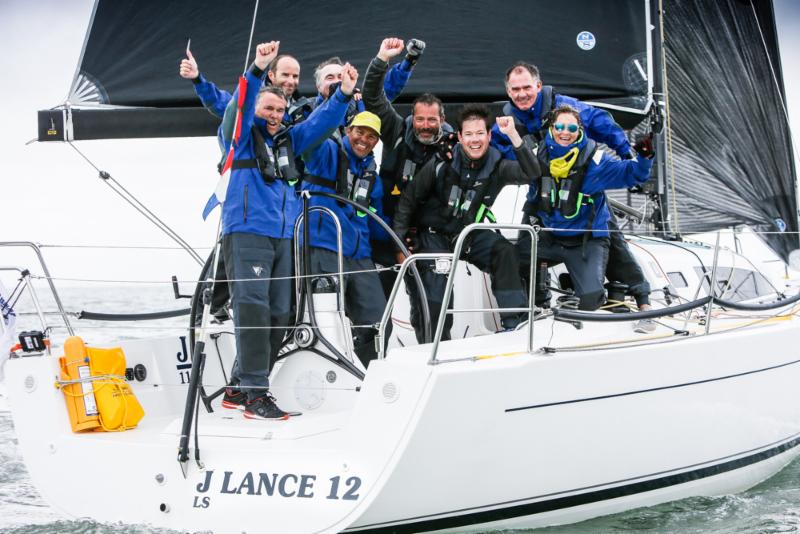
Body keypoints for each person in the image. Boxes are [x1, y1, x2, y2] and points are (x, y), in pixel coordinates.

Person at [207, 41, 360, 420]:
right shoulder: (239, 136)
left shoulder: (289, 140)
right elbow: (238, 107)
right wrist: (258, 67)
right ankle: (256, 394)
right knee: (253, 310)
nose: (274, 115)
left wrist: (343, 93)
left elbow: (320, 123)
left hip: (283, 236)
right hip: (247, 232)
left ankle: (239, 388)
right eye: (267, 109)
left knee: (282, 313)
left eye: (278, 110)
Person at [492, 61, 655, 327]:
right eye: (516, 89)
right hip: (542, 197)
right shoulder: (507, 122)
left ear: (539, 86)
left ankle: (641, 297)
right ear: (508, 92)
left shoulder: (568, 110)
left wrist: (629, 152)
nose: (522, 94)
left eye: (527, 88)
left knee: (609, 236)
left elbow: (603, 124)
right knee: (521, 253)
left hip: (582, 192)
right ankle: (534, 308)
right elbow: (490, 152)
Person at [392, 104, 540, 343]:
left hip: (469, 235)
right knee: (434, 294)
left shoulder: (498, 165)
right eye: (469, 134)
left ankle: (515, 326)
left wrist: (513, 135)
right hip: (434, 236)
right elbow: (407, 202)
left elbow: (532, 173)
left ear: (489, 136)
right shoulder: (440, 163)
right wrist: (400, 245)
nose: (475, 140)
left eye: (480, 133)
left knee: (505, 252)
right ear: (459, 137)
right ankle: (435, 345)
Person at [513, 105, 654, 311]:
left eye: (571, 128)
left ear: (579, 130)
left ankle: (582, 287)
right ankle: (537, 305)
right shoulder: (535, 156)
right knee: (509, 266)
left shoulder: (597, 162)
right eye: (559, 127)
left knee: (590, 298)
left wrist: (645, 157)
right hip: (549, 238)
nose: (565, 132)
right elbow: (504, 166)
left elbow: (633, 174)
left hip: (585, 241)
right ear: (551, 128)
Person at [362, 37, 455, 296]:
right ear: (412, 117)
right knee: (379, 302)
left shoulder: (455, 147)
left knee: (433, 304)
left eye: (432, 120)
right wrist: (382, 59)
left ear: (442, 119)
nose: (425, 126)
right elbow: (372, 96)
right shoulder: (396, 130)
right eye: (420, 119)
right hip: (388, 230)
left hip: (429, 235)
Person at [300, 109, 392, 367]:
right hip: (322, 247)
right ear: (348, 130)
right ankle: (327, 374)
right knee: (326, 323)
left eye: (371, 136)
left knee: (379, 324)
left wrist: (404, 239)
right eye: (359, 132)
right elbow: (312, 133)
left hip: (359, 255)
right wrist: (335, 99)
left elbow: (377, 221)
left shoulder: (372, 177)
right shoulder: (326, 153)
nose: (364, 139)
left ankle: (364, 377)